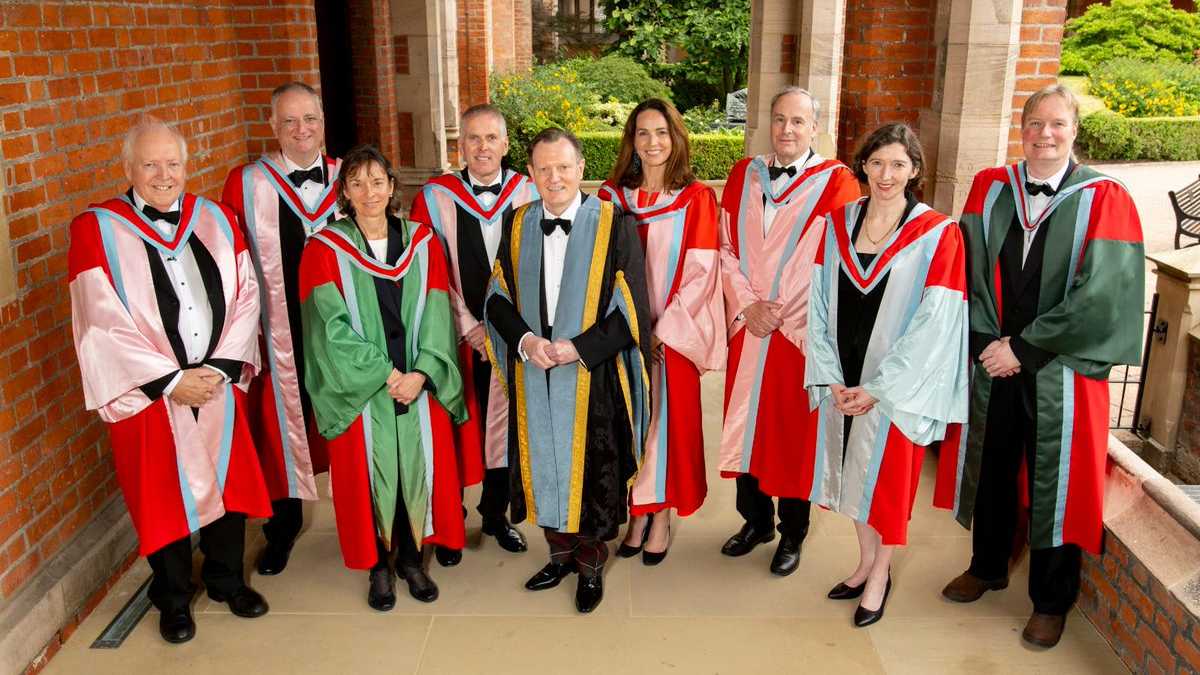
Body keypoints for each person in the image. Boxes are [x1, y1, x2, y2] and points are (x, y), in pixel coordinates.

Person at [935, 84, 1145, 648]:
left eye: (1057, 124)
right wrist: (986, 341)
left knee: (1059, 483)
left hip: (1062, 370)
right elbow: (967, 267)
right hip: (993, 360)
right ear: (1021, 128)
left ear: (1075, 130)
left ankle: (1052, 600)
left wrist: (1022, 349)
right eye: (1035, 124)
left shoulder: (1106, 198)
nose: (1045, 135)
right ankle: (987, 566)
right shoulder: (990, 188)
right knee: (993, 463)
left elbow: (1101, 294)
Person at [68, 117, 271, 644]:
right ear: (128, 168)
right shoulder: (97, 229)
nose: (164, 175)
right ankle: (173, 597)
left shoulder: (217, 220)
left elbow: (247, 296)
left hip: (217, 381)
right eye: (151, 164)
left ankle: (227, 579)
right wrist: (168, 381)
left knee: (228, 483)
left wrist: (223, 366)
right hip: (151, 394)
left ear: (187, 165)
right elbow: (99, 319)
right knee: (163, 495)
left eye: (173, 163)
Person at [804, 123, 969, 628]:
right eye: (877, 163)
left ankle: (881, 575)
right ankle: (862, 564)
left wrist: (878, 388)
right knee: (852, 477)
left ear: (914, 170)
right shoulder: (836, 225)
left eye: (898, 164)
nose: (886, 174)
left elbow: (936, 322)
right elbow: (819, 304)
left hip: (893, 389)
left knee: (889, 485)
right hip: (843, 378)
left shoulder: (938, 233)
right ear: (863, 166)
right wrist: (830, 376)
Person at [484, 128, 651, 613]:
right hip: (534, 368)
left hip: (591, 374)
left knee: (592, 470)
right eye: (543, 169)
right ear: (531, 174)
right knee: (544, 468)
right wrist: (527, 341)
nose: (554, 178)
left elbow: (631, 309)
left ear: (581, 169)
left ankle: (591, 566)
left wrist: (577, 348)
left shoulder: (613, 223)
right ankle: (559, 555)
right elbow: (496, 298)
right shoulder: (516, 224)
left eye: (563, 167)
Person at [299, 145, 467, 609]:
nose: (369, 191)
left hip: (416, 382)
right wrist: (386, 373)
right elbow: (327, 329)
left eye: (377, 181)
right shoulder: (323, 249)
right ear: (345, 193)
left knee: (417, 473)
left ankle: (412, 560)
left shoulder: (422, 241)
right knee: (368, 477)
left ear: (392, 187)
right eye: (357, 183)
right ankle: (378, 568)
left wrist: (423, 372)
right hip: (364, 389)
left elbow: (438, 312)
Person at [717, 87, 860, 576]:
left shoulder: (838, 183)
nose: (786, 130)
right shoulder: (745, 174)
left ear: (814, 128)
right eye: (779, 120)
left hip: (797, 332)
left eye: (798, 121)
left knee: (792, 432)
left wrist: (778, 312)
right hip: (749, 326)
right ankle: (754, 521)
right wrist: (747, 306)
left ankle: (792, 533)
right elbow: (724, 245)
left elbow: (829, 263)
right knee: (747, 427)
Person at [409, 104, 538, 566]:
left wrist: (507, 332)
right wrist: (470, 329)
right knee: (454, 425)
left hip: (513, 339)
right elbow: (427, 271)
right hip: (454, 338)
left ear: (505, 144)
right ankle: (449, 520)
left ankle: (496, 515)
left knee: (504, 429)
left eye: (491, 139)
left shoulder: (528, 190)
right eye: (473, 139)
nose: (482, 148)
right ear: (459, 145)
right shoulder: (435, 197)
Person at [222, 81, 340, 576]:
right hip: (278, 333)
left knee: (349, 423)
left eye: (309, 119)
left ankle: (370, 521)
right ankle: (282, 530)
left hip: (344, 333)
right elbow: (229, 261)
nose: (300, 130)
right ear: (273, 127)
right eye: (288, 121)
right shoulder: (246, 183)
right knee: (280, 431)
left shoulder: (349, 177)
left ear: (322, 122)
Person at [598, 99, 723, 565]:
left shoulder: (696, 199)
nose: (653, 143)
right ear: (631, 140)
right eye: (643, 133)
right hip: (622, 333)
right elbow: (599, 269)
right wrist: (627, 327)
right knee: (629, 422)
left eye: (661, 133)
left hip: (672, 336)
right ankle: (636, 513)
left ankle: (662, 515)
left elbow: (701, 272)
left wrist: (660, 331)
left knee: (668, 425)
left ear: (677, 138)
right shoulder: (611, 196)